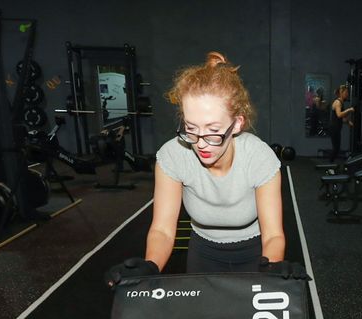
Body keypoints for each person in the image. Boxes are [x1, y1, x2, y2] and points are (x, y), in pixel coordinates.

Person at [105, 51, 299, 284]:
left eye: (213, 131)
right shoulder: (174, 155)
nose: (200, 142)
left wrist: (273, 267)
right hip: (203, 253)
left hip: (254, 255)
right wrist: (150, 266)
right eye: (191, 128)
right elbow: (163, 230)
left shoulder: (259, 157)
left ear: (237, 123)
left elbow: (274, 235)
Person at [328, 85, 354, 162]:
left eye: (347, 92)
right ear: (341, 93)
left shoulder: (341, 102)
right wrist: (349, 110)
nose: (347, 94)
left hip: (336, 128)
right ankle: (330, 164)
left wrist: (347, 121)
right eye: (346, 92)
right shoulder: (338, 102)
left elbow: (338, 118)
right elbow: (339, 114)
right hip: (334, 128)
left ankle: (330, 163)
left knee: (336, 148)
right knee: (336, 148)